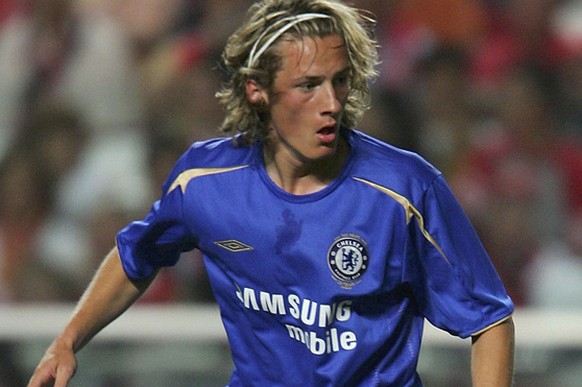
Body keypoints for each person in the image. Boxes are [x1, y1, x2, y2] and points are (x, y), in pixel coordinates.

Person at [27, 0, 515, 386]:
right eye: (308, 86)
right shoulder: (204, 180)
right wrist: (67, 340)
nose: (331, 104)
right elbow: (137, 255)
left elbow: (488, 319)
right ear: (257, 90)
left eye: (339, 82)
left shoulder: (403, 189)